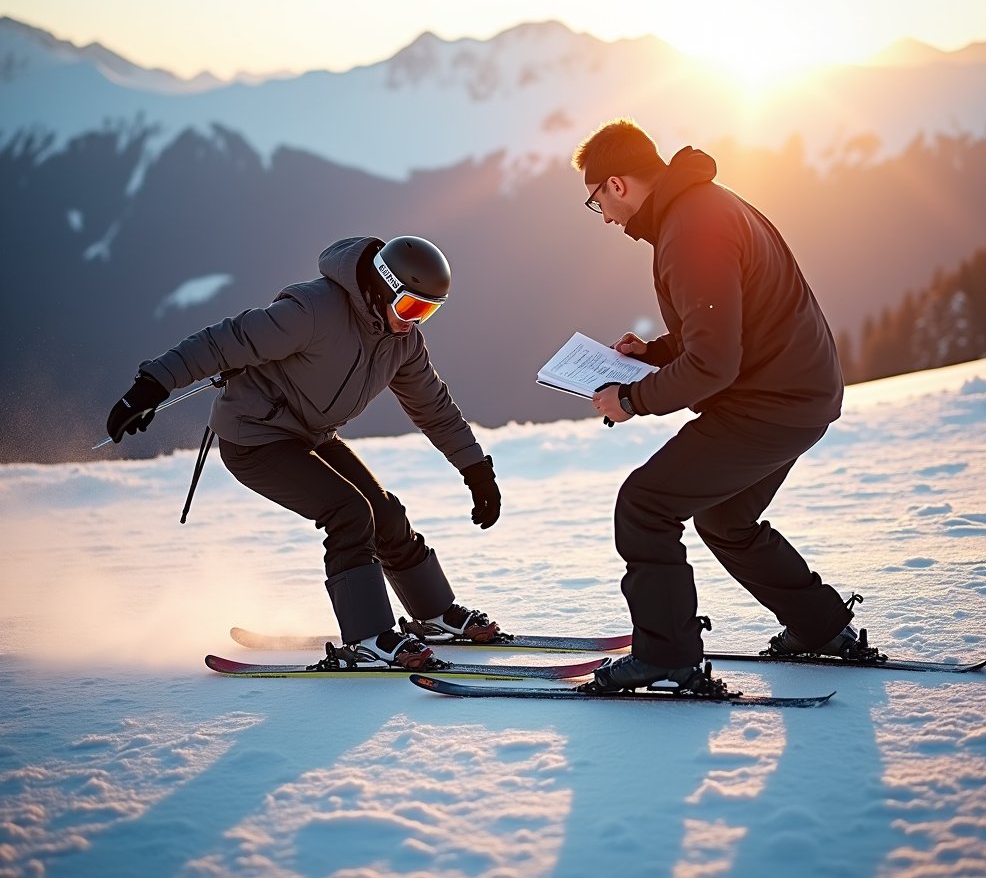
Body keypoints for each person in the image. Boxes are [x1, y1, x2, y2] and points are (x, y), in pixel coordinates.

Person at [106, 235, 503, 670]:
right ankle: (368, 638)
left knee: (385, 513)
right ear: (383, 287)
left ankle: (433, 614)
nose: (414, 322)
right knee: (350, 513)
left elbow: (435, 409)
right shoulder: (313, 310)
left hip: (312, 434)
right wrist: (153, 384)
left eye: (427, 311)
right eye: (410, 307)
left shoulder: (401, 342)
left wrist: (476, 470)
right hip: (254, 437)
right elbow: (225, 340)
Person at [570, 118, 861, 694]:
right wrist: (651, 355)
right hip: (798, 393)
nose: (603, 216)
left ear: (619, 185)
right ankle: (820, 627)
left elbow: (713, 366)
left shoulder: (691, 230)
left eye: (596, 198)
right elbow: (724, 330)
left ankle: (667, 656)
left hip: (772, 401)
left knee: (645, 505)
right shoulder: (699, 208)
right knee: (726, 518)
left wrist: (631, 398)